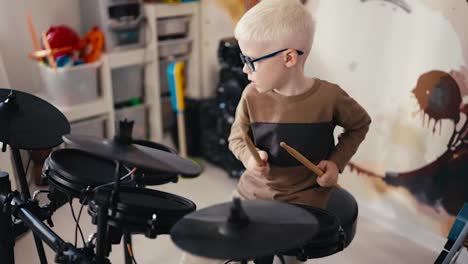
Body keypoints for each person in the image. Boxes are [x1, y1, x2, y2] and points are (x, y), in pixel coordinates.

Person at [181, 0, 371, 263]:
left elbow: (359, 124)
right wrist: (249, 158)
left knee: (285, 255)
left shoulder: (330, 98)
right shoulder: (251, 96)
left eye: (250, 61)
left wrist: (336, 164)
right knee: (198, 254)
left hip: (304, 204)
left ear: (289, 58)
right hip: (252, 194)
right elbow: (237, 137)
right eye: (242, 59)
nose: (245, 69)